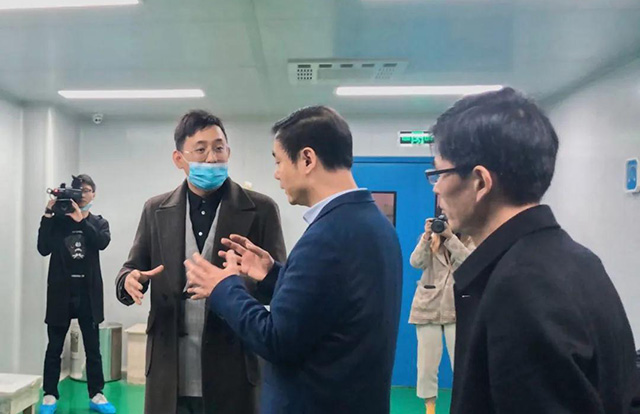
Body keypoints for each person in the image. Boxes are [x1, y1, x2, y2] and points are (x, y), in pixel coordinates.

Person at [427, 87, 640, 414]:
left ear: (480, 182)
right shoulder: (579, 260)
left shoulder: (519, 286)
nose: (437, 188)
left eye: (440, 174)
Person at [184, 106, 403, 414]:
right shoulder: (374, 224)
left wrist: (224, 287)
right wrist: (273, 275)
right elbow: (327, 306)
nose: (276, 173)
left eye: (278, 161)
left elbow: (276, 340)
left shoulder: (326, 237)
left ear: (307, 159)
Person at [115, 110, 285, 414]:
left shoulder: (261, 210)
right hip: (169, 368)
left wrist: (242, 283)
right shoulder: (155, 210)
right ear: (179, 158)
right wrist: (128, 280)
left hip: (233, 366)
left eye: (219, 148)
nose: (211, 158)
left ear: (229, 151)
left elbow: (279, 287)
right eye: (201, 149)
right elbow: (132, 267)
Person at [38, 174, 115, 414]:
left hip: (88, 293)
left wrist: (82, 221)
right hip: (60, 293)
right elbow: (43, 248)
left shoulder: (99, 222)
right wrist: (48, 214)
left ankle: (97, 394)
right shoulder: (58, 222)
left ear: (94, 194)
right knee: (54, 347)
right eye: (78, 190)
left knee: (93, 348)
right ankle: (50, 394)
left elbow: (101, 242)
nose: (82, 195)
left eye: (87, 190)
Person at [409, 217, 474, 414]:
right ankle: (430, 408)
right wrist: (426, 236)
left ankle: (465, 405)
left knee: (462, 363)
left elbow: (471, 263)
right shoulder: (430, 241)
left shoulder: (471, 240)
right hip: (428, 308)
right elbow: (416, 262)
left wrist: (451, 238)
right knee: (426, 365)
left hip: (456, 309)